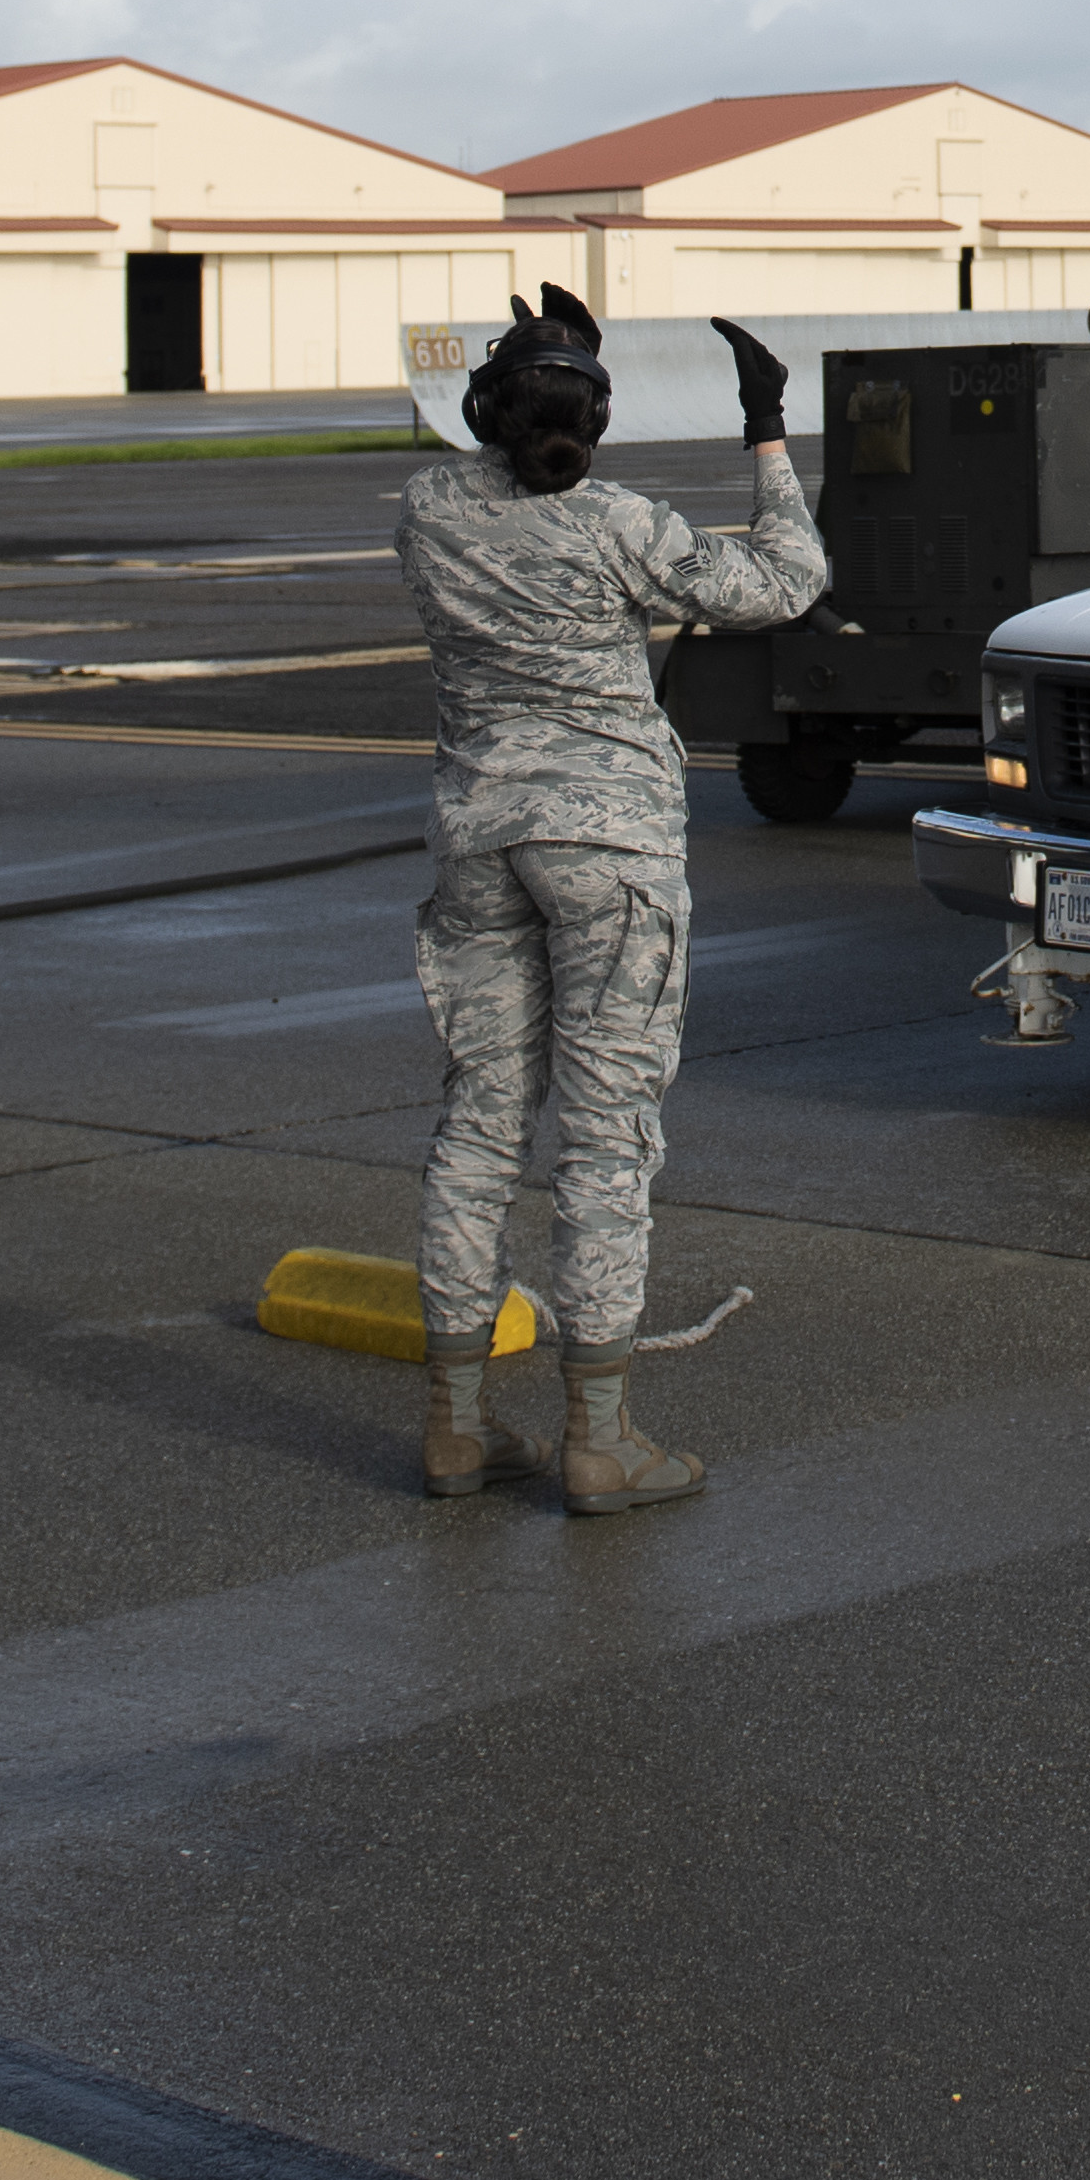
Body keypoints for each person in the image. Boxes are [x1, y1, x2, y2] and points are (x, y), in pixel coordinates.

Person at [388, 285, 823, 1510]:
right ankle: (599, 1436)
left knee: (479, 1124)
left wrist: (544, 359)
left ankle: (456, 1426)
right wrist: (766, 431)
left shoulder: (428, 510)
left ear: (486, 413)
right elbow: (788, 580)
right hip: (611, 851)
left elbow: (494, 471)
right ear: (596, 422)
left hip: (479, 837)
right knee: (604, 1135)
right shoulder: (621, 524)